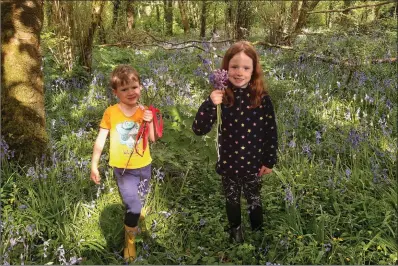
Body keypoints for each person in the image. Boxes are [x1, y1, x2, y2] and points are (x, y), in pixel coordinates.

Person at [192, 41, 278, 243]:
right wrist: (210, 103)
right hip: (229, 163)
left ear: (253, 71)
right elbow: (198, 129)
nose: (239, 72)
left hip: (253, 164)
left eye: (246, 68)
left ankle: (257, 232)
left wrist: (269, 160)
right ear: (226, 69)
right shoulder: (221, 97)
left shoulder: (262, 99)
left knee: (254, 199)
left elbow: (271, 132)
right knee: (231, 200)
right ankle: (235, 231)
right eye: (234, 67)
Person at [90, 64, 155, 261]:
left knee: (141, 198)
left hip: (144, 165)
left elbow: (152, 139)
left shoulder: (144, 111)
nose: (130, 92)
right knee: (133, 206)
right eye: (124, 89)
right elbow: (101, 139)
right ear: (115, 92)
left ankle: (136, 216)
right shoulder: (111, 112)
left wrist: (150, 120)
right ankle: (130, 243)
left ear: (141, 87)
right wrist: (94, 164)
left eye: (134, 87)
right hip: (124, 169)